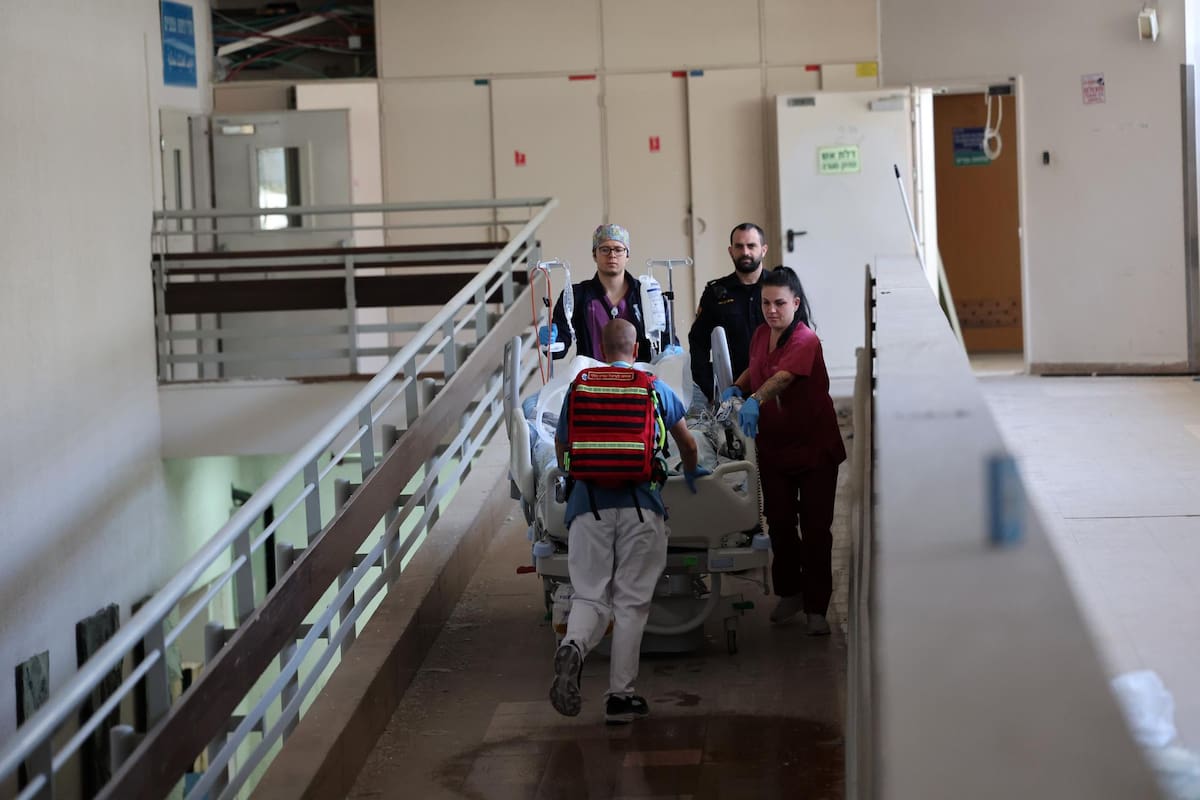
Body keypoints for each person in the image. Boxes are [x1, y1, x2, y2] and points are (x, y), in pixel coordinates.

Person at [549, 318, 709, 724]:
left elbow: (562, 445)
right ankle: (620, 698)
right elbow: (687, 443)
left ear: (601, 351)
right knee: (631, 604)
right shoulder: (656, 387)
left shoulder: (580, 386)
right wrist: (689, 471)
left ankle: (574, 645)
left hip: (588, 506)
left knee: (589, 596)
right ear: (637, 351)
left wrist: (573, 476)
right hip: (641, 505)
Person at [722, 266, 846, 635]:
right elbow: (758, 367)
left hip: (814, 450)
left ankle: (816, 609)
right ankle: (790, 593)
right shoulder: (762, 334)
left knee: (815, 529)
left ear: (795, 302)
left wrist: (755, 399)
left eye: (779, 303)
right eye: (765, 303)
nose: (771, 310)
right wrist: (736, 388)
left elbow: (784, 377)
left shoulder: (806, 339)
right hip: (774, 448)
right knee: (779, 524)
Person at [540, 224, 673, 362]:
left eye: (618, 249)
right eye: (605, 249)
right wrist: (550, 342)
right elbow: (557, 351)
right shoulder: (576, 296)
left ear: (627, 255)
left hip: (639, 380)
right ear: (594, 254)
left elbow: (665, 339)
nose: (612, 255)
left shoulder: (647, 295)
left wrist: (671, 349)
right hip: (592, 381)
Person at [687, 223, 769, 402]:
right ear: (731, 251)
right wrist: (710, 388)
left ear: (763, 250)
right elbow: (698, 343)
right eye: (739, 246)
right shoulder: (716, 293)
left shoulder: (779, 288)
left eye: (751, 246)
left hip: (774, 385)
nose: (745, 252)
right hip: (732, 391)